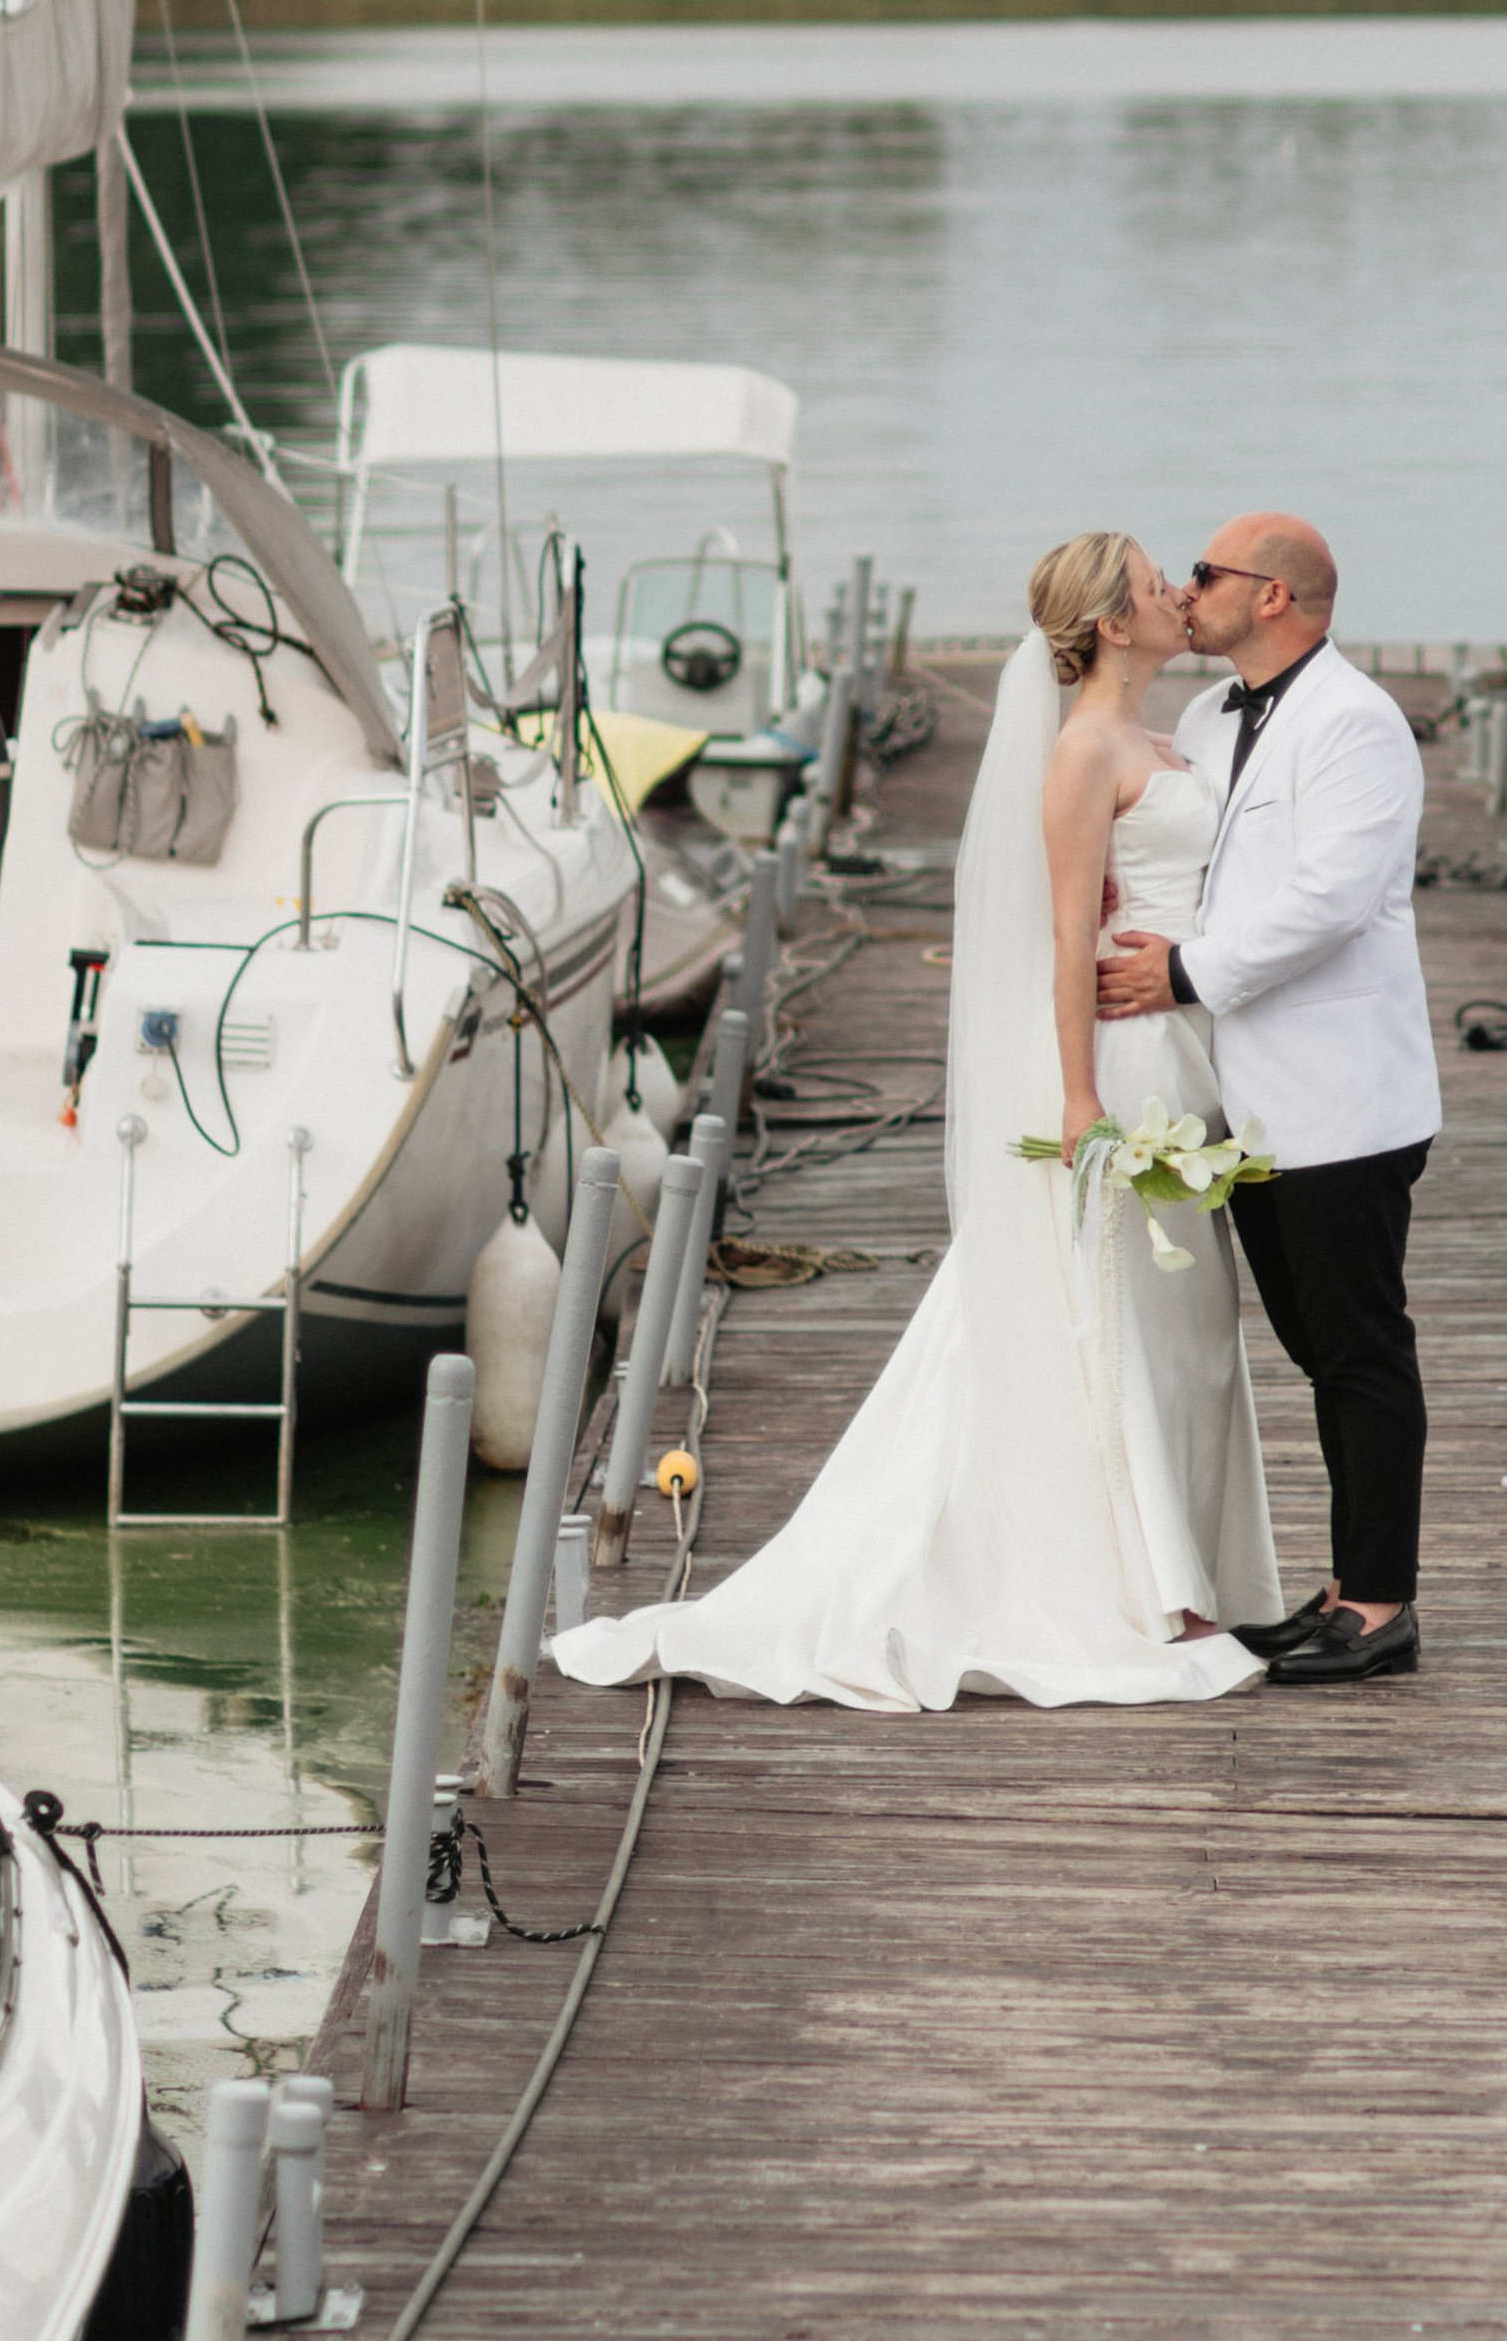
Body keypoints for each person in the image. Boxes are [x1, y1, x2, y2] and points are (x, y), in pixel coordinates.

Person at [550, 535, 1279, 1713]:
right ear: (1108, 624)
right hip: (1122, 1066)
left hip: (1185, 1053)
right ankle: (1140, 1584)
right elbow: (1059, 938)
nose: (1176, 598)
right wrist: (1081, 1095)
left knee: (1184, 1327)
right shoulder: (1084, 752)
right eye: (1154, 587)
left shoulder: (1167, 737)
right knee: (1114, 1316)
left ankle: (1184, 1560)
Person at [1098, 511, 1440, 1685]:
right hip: (1237, 1103)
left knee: (1359, 1347)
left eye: (1205, 574)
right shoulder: (1203, 715)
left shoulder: (1357, 723)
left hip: (1342, 1094)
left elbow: (1333, 899)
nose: (1187, 590)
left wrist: (1182, 973)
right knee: (1309, 1345)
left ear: (1274, 597)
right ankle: (1344, 1586)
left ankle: (1382, 1604)